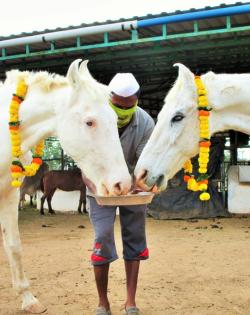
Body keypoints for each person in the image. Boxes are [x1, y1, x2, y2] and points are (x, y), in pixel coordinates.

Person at [86, 73, 154, 315]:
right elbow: (85, 159)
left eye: (129, 107)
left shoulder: (145, 122)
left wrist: (144, 183)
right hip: (101, 189)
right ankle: (102, 302)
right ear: (109, 98)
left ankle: (130, 301)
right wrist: (94, 185)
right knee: (102, 238)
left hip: (132, 190)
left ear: (137, 99)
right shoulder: (93, 118)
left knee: (134, 239)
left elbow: (145, 161)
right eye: (117, 106)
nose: (123, 111)